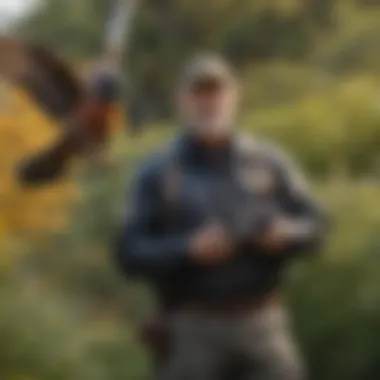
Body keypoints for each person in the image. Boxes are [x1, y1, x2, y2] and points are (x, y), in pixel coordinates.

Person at [116, 54, 327, 380]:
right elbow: (129, 253)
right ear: (181, 101)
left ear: (233, 97)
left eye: (216, 93)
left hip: (263, 323)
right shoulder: (157, 173)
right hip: (191, 329)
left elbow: (318, 226)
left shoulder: (269, 161)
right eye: (199, 93)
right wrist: (187, 249)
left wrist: (286, 235)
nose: (209, 102)